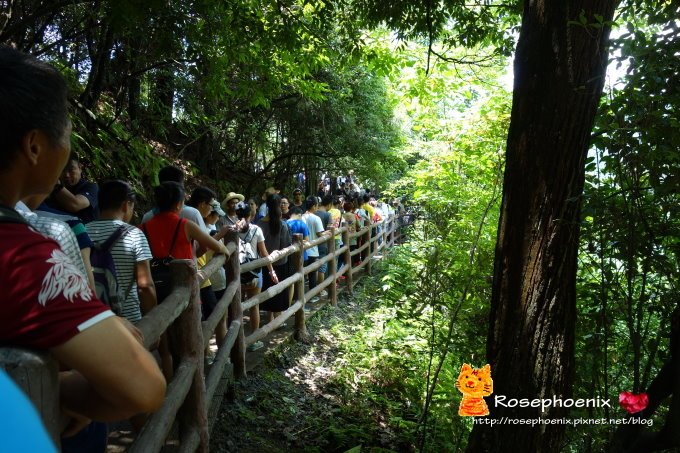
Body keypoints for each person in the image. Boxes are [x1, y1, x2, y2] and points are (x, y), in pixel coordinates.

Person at [0, 46, 165, 447]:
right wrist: (63, 390)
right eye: (68, 134)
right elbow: (143, 387)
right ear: (35, 146)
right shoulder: (24, 257)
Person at [86, 180, 156, 323]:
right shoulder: (134, 234)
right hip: (128, 321)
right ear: (126, 204)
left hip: (92, 322)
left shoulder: (82, 232)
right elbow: (145, 286)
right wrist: (152, 321)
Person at [235, 201, 279, 351]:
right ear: (250, 215)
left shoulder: (231, 230)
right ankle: (253, 340)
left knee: (237, 308)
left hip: (237, 274)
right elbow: (264, 253)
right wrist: (271, 270)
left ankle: (237, 339)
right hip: (254, 273)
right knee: (254, 306)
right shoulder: (256, 229)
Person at [256, 194, 292, 323]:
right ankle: (277, 321)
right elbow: (286, 246)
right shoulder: (282, 225)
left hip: (263, 264)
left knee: (267, 292)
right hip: (280, 263)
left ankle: (270, 320)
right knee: (278, 293)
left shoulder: (259, 223)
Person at [46, 155, 99, 223]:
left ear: (80, 168)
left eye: (71, 169)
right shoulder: (51, 188)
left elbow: (75, 205)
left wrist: (56, 185)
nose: (67, 175)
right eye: (62, 170)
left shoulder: (91, 187)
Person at [302, 196, 327, 302]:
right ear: (314, 206)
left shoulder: (301, 217)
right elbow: (319, 234)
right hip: (313, 251)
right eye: (317, 205)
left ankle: (300, 297)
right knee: (312, 275)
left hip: (303, 251)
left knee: (302, 275)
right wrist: (328, 232)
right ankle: (312, 296)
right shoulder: (316, 218)